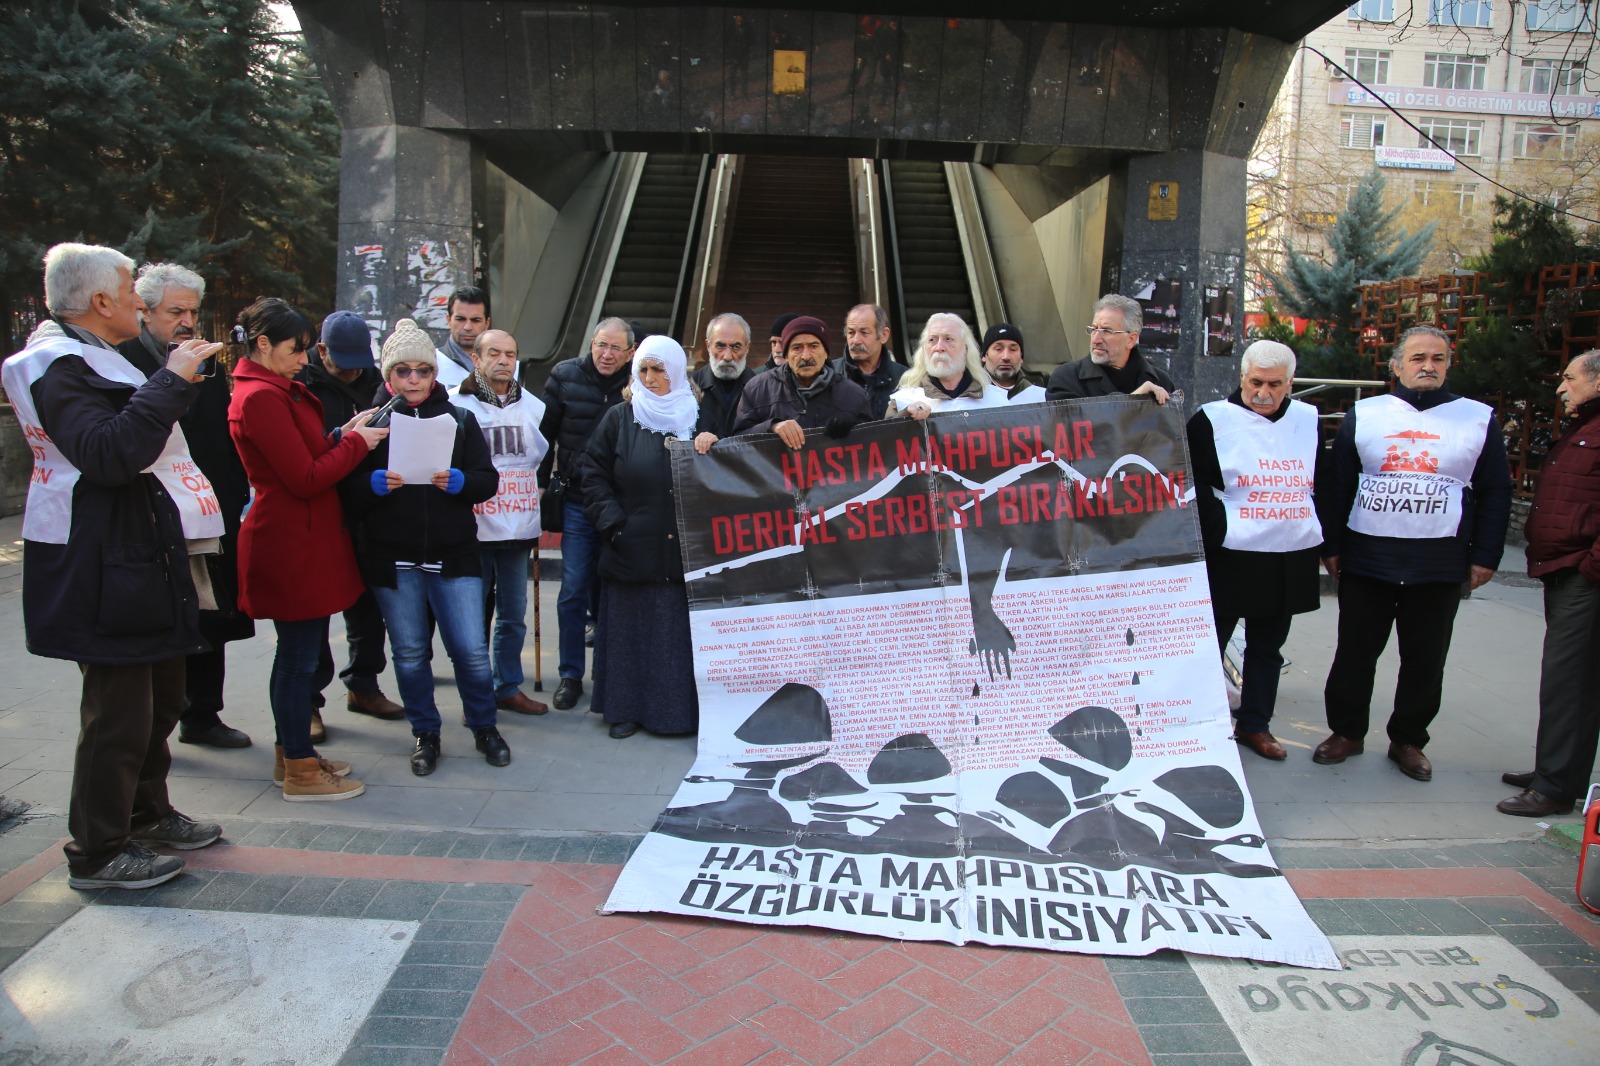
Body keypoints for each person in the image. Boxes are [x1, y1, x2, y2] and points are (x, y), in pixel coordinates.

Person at [3, 243, 225, 889]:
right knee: (118, 713)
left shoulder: (99, 354)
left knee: (160, 699)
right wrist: (170, 382)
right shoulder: (56, 364)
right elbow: (106, 454)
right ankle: (98, 851)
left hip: (140, 549)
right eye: (132, 292)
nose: (140, 303)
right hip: (101, 558)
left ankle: (147, 815)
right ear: (101, 301)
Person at [1314, 325, 1512, 781]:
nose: (1428, 366)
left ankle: (1408, 739)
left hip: (1438, 562)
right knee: (1354, 653)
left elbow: (1495, 490)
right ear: (1397, 365)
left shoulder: (1477, 418)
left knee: (1425, 659)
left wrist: (1486, 555)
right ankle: (1346, 732)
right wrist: (1332, 546)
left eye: (1438, 358)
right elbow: (1338, 483)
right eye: (1418, 358)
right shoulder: (1366, 414)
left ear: (1448, 365)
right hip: (1368, 557)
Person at [230, 298, 384, 802]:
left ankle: (293, 754)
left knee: (298, 655)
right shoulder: (260, 397)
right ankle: (298, 766)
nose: (304, 360)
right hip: (289, 540)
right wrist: (357, 446)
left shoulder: (274, 390)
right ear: (263, 344)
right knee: (297, 659)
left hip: (304, 535)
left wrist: (343, 434)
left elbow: (306, 452)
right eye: (296, 350)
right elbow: (304, 477)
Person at [345, 319, 506, 775]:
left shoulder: (459, 419)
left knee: (470, 651)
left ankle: (484, 726)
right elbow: (341, 487)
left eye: (423, 371)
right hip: (392, 558)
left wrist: (461, 482)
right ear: (388, 375)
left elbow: (487, 480)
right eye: (403, 371)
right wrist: (369, 484)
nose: (413, 380)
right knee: (411, 653)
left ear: (435, 374)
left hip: (453, 555)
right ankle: (425, 731)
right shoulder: (370, 424)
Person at [118, 262, 255, 750]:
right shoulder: (122, 360)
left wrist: (233, 498)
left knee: (210, 613)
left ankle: (202, 714)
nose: (188, 322)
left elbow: (221, 436)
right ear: (145, 311)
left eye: (193, 312)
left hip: (208, 507)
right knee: (157, 620)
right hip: (149, 509)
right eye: (176, 311)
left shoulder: (205, 361)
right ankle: (149, 729)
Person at [1187, 341, 1324, 761]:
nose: (1264, 393)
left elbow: (1321, 477)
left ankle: (1255, 724)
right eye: (1256, 383)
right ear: (1242, 377)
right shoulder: (1212, 419)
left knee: (1267, 647)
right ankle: (1200, 724)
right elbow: (1192, 482)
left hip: (1288, 549)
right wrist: (1220, 527)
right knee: (1209, 643)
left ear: (1290, 383)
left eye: (1275, 385)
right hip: (1231, 551)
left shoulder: (1307, 419)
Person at [578, 336, 704, 739]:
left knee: (673, 637)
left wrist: (712, 446)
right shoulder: (619, 418)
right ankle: (625, 710)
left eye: (659, 370)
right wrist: (615, 525)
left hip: (683, 550)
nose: (650, 379)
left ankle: (675, 715)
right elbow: (592, 474)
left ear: (677, 371)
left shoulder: (698, 416)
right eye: (643, 370)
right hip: (631, 547)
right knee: (629, 636)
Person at [1498, 349, 1600, 816]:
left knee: (1568, 680)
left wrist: (1590, 568)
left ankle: (1554, 787)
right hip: (1563, 568)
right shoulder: (1585, 426)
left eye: (1570, 378)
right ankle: (1556, 772)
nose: (1561, 388)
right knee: (1570, 680)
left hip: (1583, 574)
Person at [298, 310, 406, 726]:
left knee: (367, 606)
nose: (353, 371)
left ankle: (363, 684)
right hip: (321, 506)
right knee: (316, 610)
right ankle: (308, 701)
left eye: (360, 362)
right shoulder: (301, 385)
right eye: (344, 363)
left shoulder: (374, 382)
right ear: (322, 350)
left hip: (368, 507)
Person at [450, 327, 551, 716]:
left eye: (510, 354)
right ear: (476, 359)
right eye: (494, 353)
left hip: (517, 524)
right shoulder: (455, 404)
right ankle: (475, 696)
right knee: (472, 619)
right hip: (472, 527)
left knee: (513, 616)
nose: (504, 361)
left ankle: (506, 686)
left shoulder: (534, 406)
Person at [539, 318, 633, 709]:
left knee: (611, 592)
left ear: (630, 352)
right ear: (591, 343)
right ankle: (570, 674)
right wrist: (539, 486)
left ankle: (607, 675)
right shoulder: (565, 376)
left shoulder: (640, 379)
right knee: (573, 589)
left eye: (615, 348)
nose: (606, 355)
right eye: (600, 345)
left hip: (622, 505)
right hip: (577, 501)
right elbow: (544, 435)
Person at [731, 315, 873, 449]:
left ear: (826, 353)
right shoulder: (758, 389)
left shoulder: (854, 395)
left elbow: (872, 446)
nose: (805, 356)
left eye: (814, 346)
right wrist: (771, 427)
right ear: (786, 354)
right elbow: (737, 443)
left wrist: (854, 431)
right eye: (797, 348)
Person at [1046, 294, 1174, 405]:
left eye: (1106, 331)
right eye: (1094, 329)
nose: (1096, 339)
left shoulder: (1160, 381)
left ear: (1131, 339)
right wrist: (1133, 401)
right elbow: (1074, 424)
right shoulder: (1067, 378)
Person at [887, 313, 1008, 419]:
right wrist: (905, 417)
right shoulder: (903, 401)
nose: (939, 347)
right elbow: (885, 436)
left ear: (966, 349)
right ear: (924, 350)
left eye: (948, 339)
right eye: (932, 340)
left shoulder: (996, 401)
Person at [691, 312, 755, 443]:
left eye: (736, 347)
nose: (727, 356)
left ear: (747, 348)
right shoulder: (688, 387)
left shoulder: (761, 387)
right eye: (720, 346)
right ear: (708, 346)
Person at [835, 303, 908, 418]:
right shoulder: (830, 375)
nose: (856, 340)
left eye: (864, 333)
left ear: (884, 335)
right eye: (851, 333)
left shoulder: (905, 379)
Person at [435, 285, 490, 389]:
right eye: (460, 319)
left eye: (476, 320)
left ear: (487, 323)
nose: (467, 327)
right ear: (449, 320)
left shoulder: (509, 366)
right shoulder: (430, 365)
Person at [981, 323, 1046, 404]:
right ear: (984, 356)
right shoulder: (970, 396)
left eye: (1013, 349)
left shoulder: (1041, 397)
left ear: (1021, 357)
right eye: (998, 349)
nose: (1006, 357)